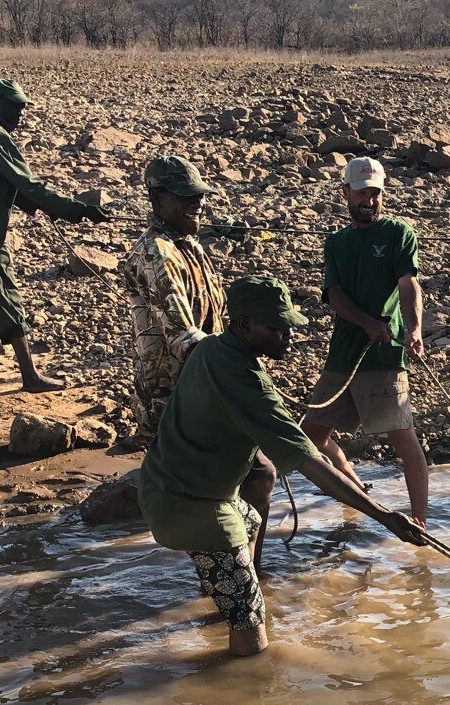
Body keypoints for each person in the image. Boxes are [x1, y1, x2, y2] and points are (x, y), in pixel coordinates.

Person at [138, 276, 427, 658]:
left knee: (252, 521)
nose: (286, 337)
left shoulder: (211, 349)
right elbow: (312, 462)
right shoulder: (247, 383)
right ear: (242, 324)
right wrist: (386, 516)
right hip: (190, 505)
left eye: (288, 327)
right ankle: (241, 679)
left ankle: (222, 590)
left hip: (164, 483)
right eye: (275, 328)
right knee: (254, 637)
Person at [123, 155, 277, 573]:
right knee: (249, 478)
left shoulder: (187, 245)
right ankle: (237, 583)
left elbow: (215, 323)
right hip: (175, 397)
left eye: (200, 196)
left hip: (205, 387)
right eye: (186, 197)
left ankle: (241, 579)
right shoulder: (156, 254)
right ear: (156, 197)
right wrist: (241, 383)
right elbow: (183, 336)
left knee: (253, 477)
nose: (197, 203)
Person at [0, 78, 109, 393]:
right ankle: (30, 376)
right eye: (14, 107)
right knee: (3, 294)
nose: (20, 115)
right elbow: (27, 182)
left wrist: (44, 207)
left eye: (22, 108)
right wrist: (77, 209)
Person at [302, 157, 430, 526]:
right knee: (311, 435)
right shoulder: (337, 242)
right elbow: (336, 295)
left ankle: (420, 523)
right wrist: (366, 321)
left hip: (385, 356)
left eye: (375, 194)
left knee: (403, 437)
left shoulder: (398, 234)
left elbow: (409, 285)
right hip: (344, 353)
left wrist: (414, 330)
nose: (368, 201)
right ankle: (358, 494)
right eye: (362, 194)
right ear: (346, 193)